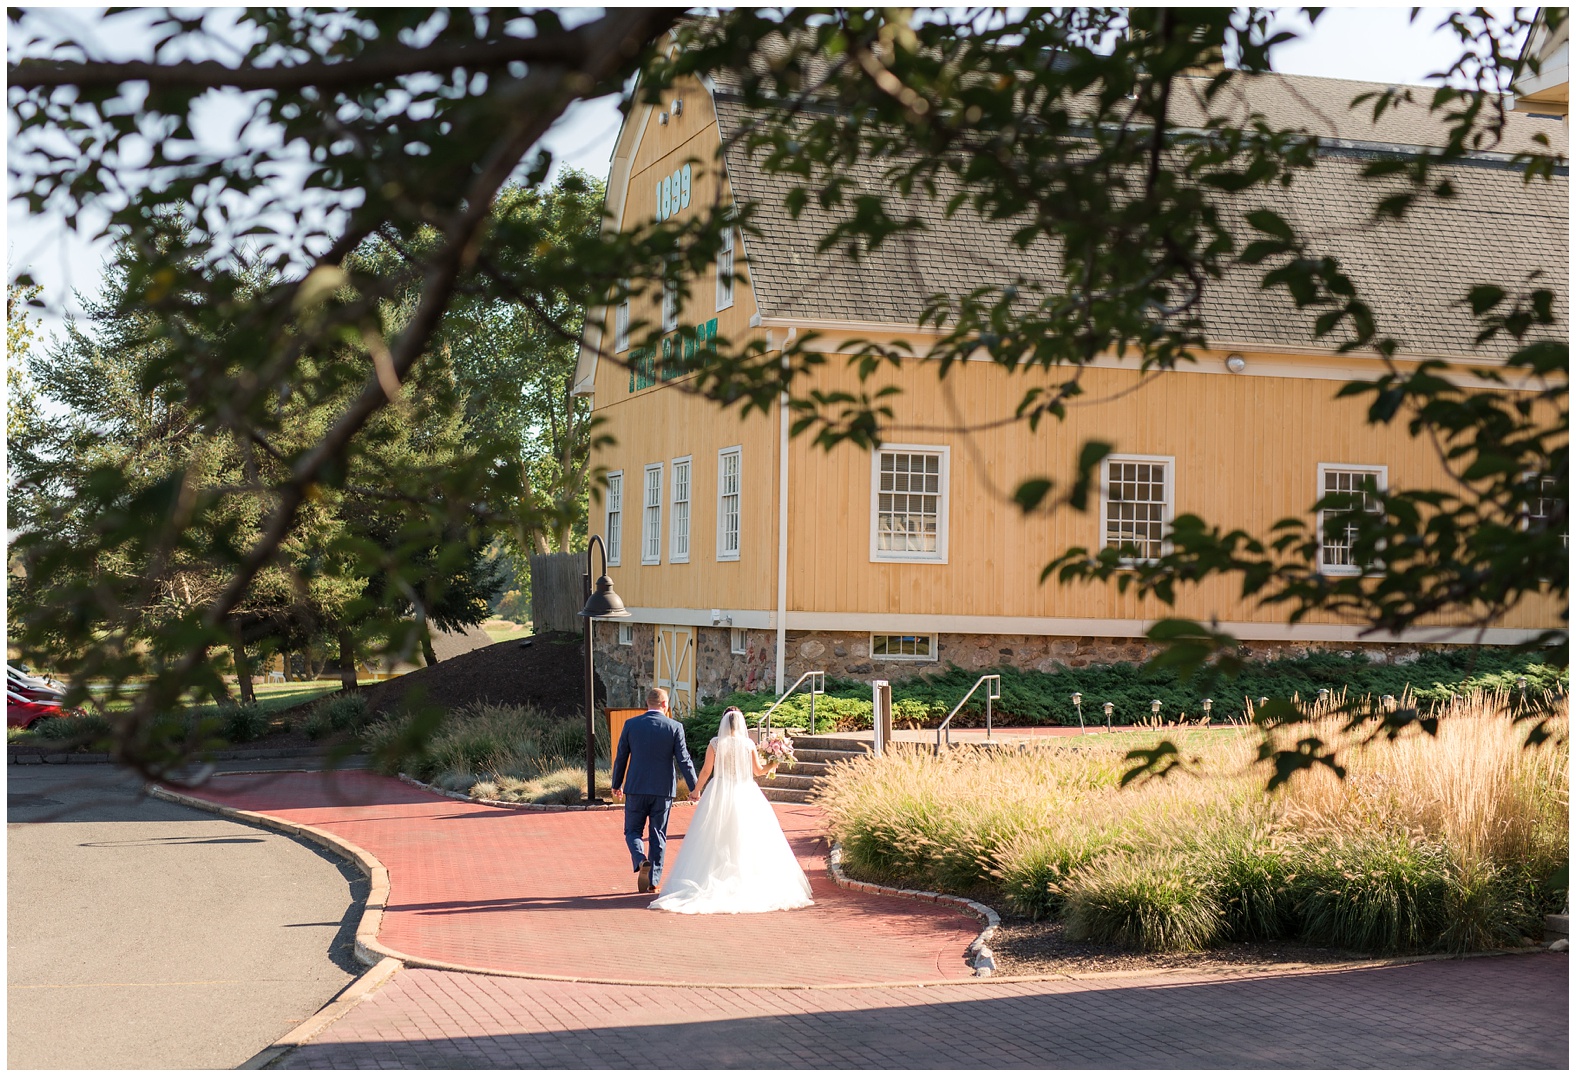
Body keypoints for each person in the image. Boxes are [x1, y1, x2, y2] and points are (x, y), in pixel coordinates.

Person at [650, 706, 814, 915]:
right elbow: (757, 771)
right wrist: (774, 763)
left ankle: (711, 877)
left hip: (719, 793)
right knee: (748, 838)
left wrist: (696, 791)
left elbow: (708, 770)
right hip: (746, 793)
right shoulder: (747, 744)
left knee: (714, 837)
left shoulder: (716, 744)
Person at [611, 687, 699, 893]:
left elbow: (621, 756)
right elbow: (684, 760)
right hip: (663, 790)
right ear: (665, 705)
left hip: (636, 787)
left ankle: (640, 859)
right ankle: (653, 880)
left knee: (632, 831)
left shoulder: (631, 725)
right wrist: (695, 787)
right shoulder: (675, 726)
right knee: (658, 833)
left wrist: (617, 784)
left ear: (647, 704)